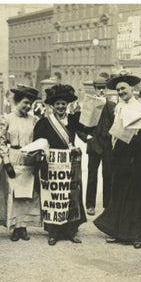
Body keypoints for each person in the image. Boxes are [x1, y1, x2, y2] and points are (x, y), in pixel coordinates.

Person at [93, 71, 141, 249]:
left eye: (124, 88)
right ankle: (118, 231)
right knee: (119, 191)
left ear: (132, 88)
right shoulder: (118, 107)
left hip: (137, 154)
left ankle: (137, 234)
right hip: (121, 152)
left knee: (137, 193)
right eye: (118, 89)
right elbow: (115, 130)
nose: (121, 92)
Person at [33, 84, 88, 245]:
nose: (61, 107)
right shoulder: (44, 122)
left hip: (69, 165)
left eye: (63, 103)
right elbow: (38, 142)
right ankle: (53, 232)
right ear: (52, 106)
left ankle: (71, 231)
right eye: (57, 104)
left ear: (67, 105)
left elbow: (87, 128)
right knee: (53, 197)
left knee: (71, 197)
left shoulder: (73, 119)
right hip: (52, 165)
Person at [0, 85, 42, 241]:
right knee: (14, 193)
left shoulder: (34, 120)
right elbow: (1, 142)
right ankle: (15, 227)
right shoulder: (7, 119)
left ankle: (23, 227)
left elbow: (38, 141)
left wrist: (37, 159)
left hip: (29, 158)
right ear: (17, 102)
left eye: (30, 104)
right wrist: (6, 161)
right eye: (25, 103)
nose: (28, 106)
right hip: (13, 156)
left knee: (27, 194)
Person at [85, 77, 116, 216]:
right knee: (92, 175)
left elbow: (117, 125)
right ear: (95, 89)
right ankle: (90, 204)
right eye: (99, 88)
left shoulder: (112, 105)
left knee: (108, 174)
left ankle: (107, 204)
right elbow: (81, 127)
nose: (101, 90)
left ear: (107, 89)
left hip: (108, 146)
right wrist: (87, 137)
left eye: (104, 88)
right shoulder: (89, 105)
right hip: (94, 145)